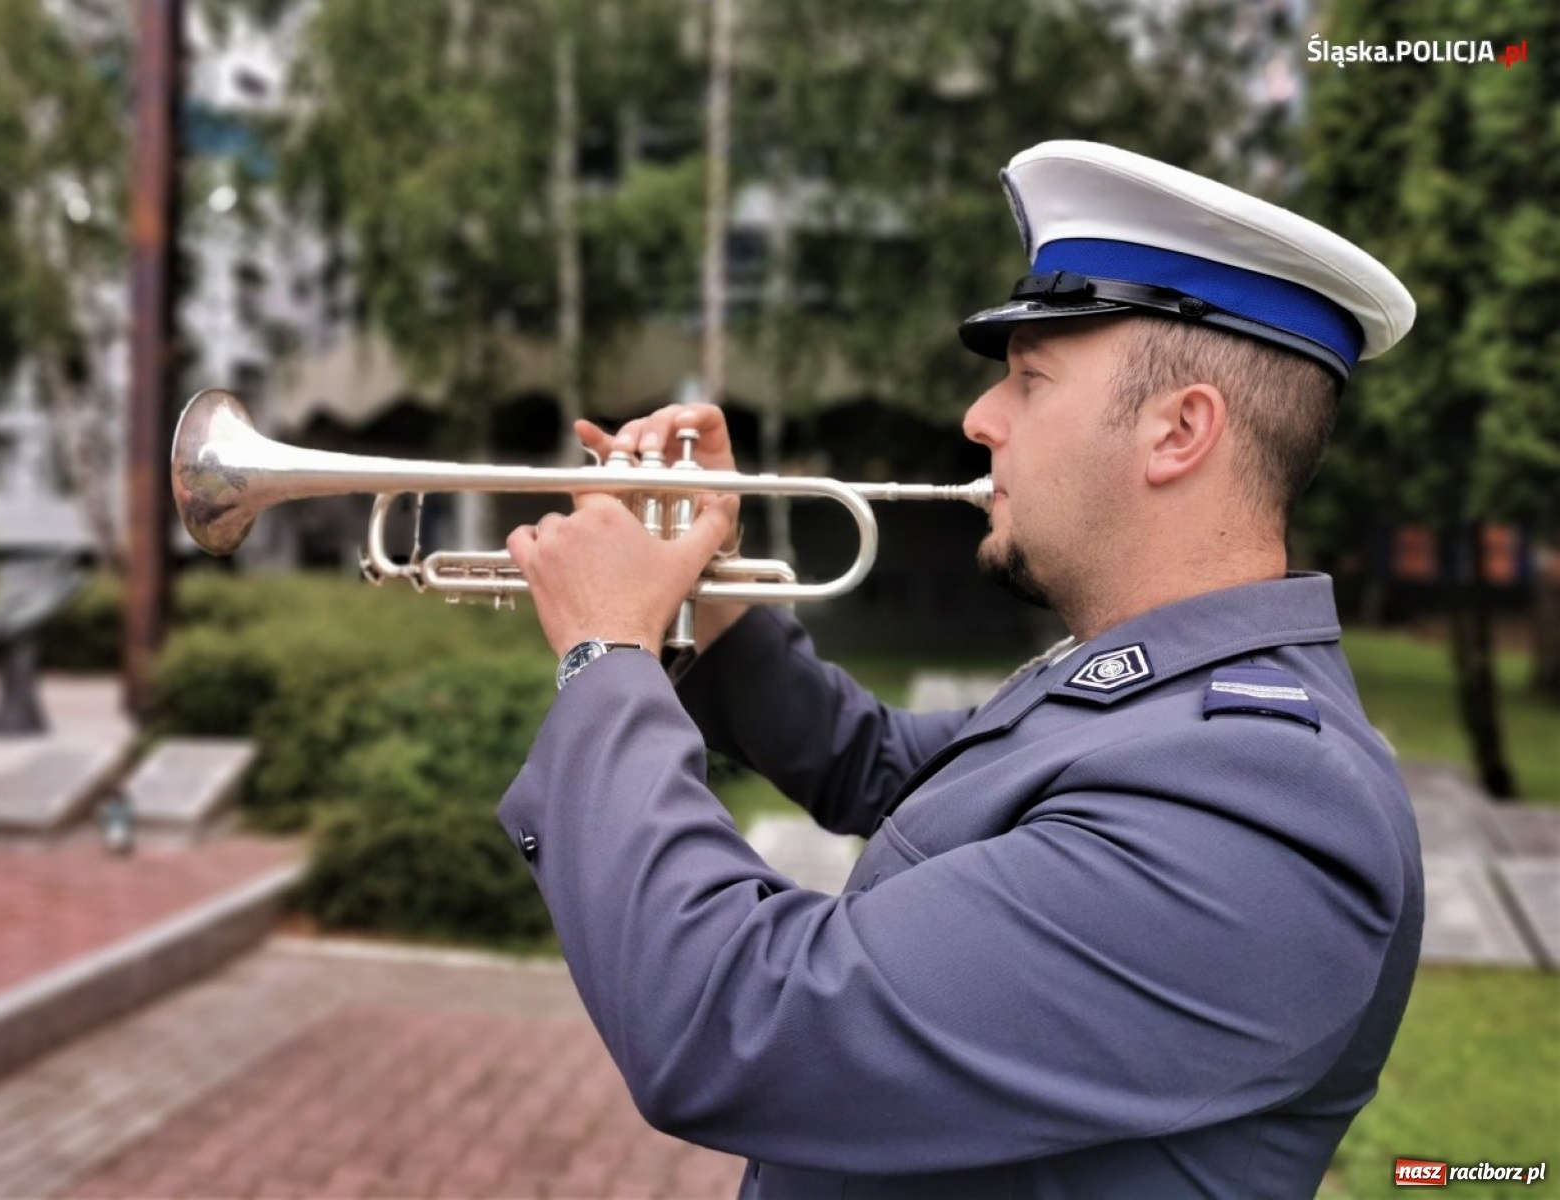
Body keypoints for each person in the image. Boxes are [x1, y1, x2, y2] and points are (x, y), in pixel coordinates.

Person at [501, 141, 1424, 1199]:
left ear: (1180, 431)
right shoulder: (1143, 693)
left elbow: (743, 1025)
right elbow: (884, 769)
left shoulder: (1261, 802)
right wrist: (707, 591)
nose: (979, 419)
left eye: (1031, 380)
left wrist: (605, 655)